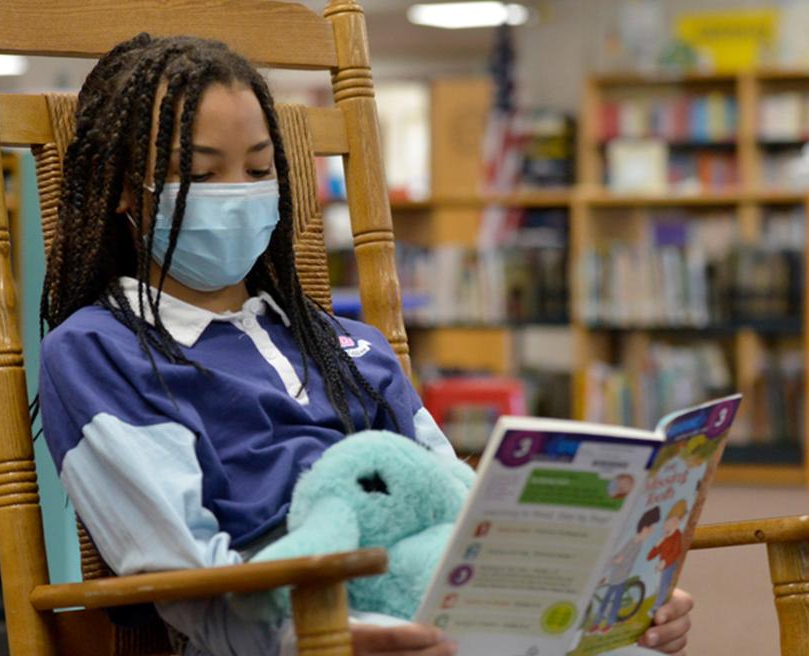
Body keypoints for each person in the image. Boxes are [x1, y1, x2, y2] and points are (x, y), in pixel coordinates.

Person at [36, 33, 694, 656]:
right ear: (125, 185)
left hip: (442, 614)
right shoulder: (100, 349)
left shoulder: (349, 344)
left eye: (260, 168)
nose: (236, 193)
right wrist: (321, 640)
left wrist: (608, 589)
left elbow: (463, 510)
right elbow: (182, 575)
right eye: (202, 176)